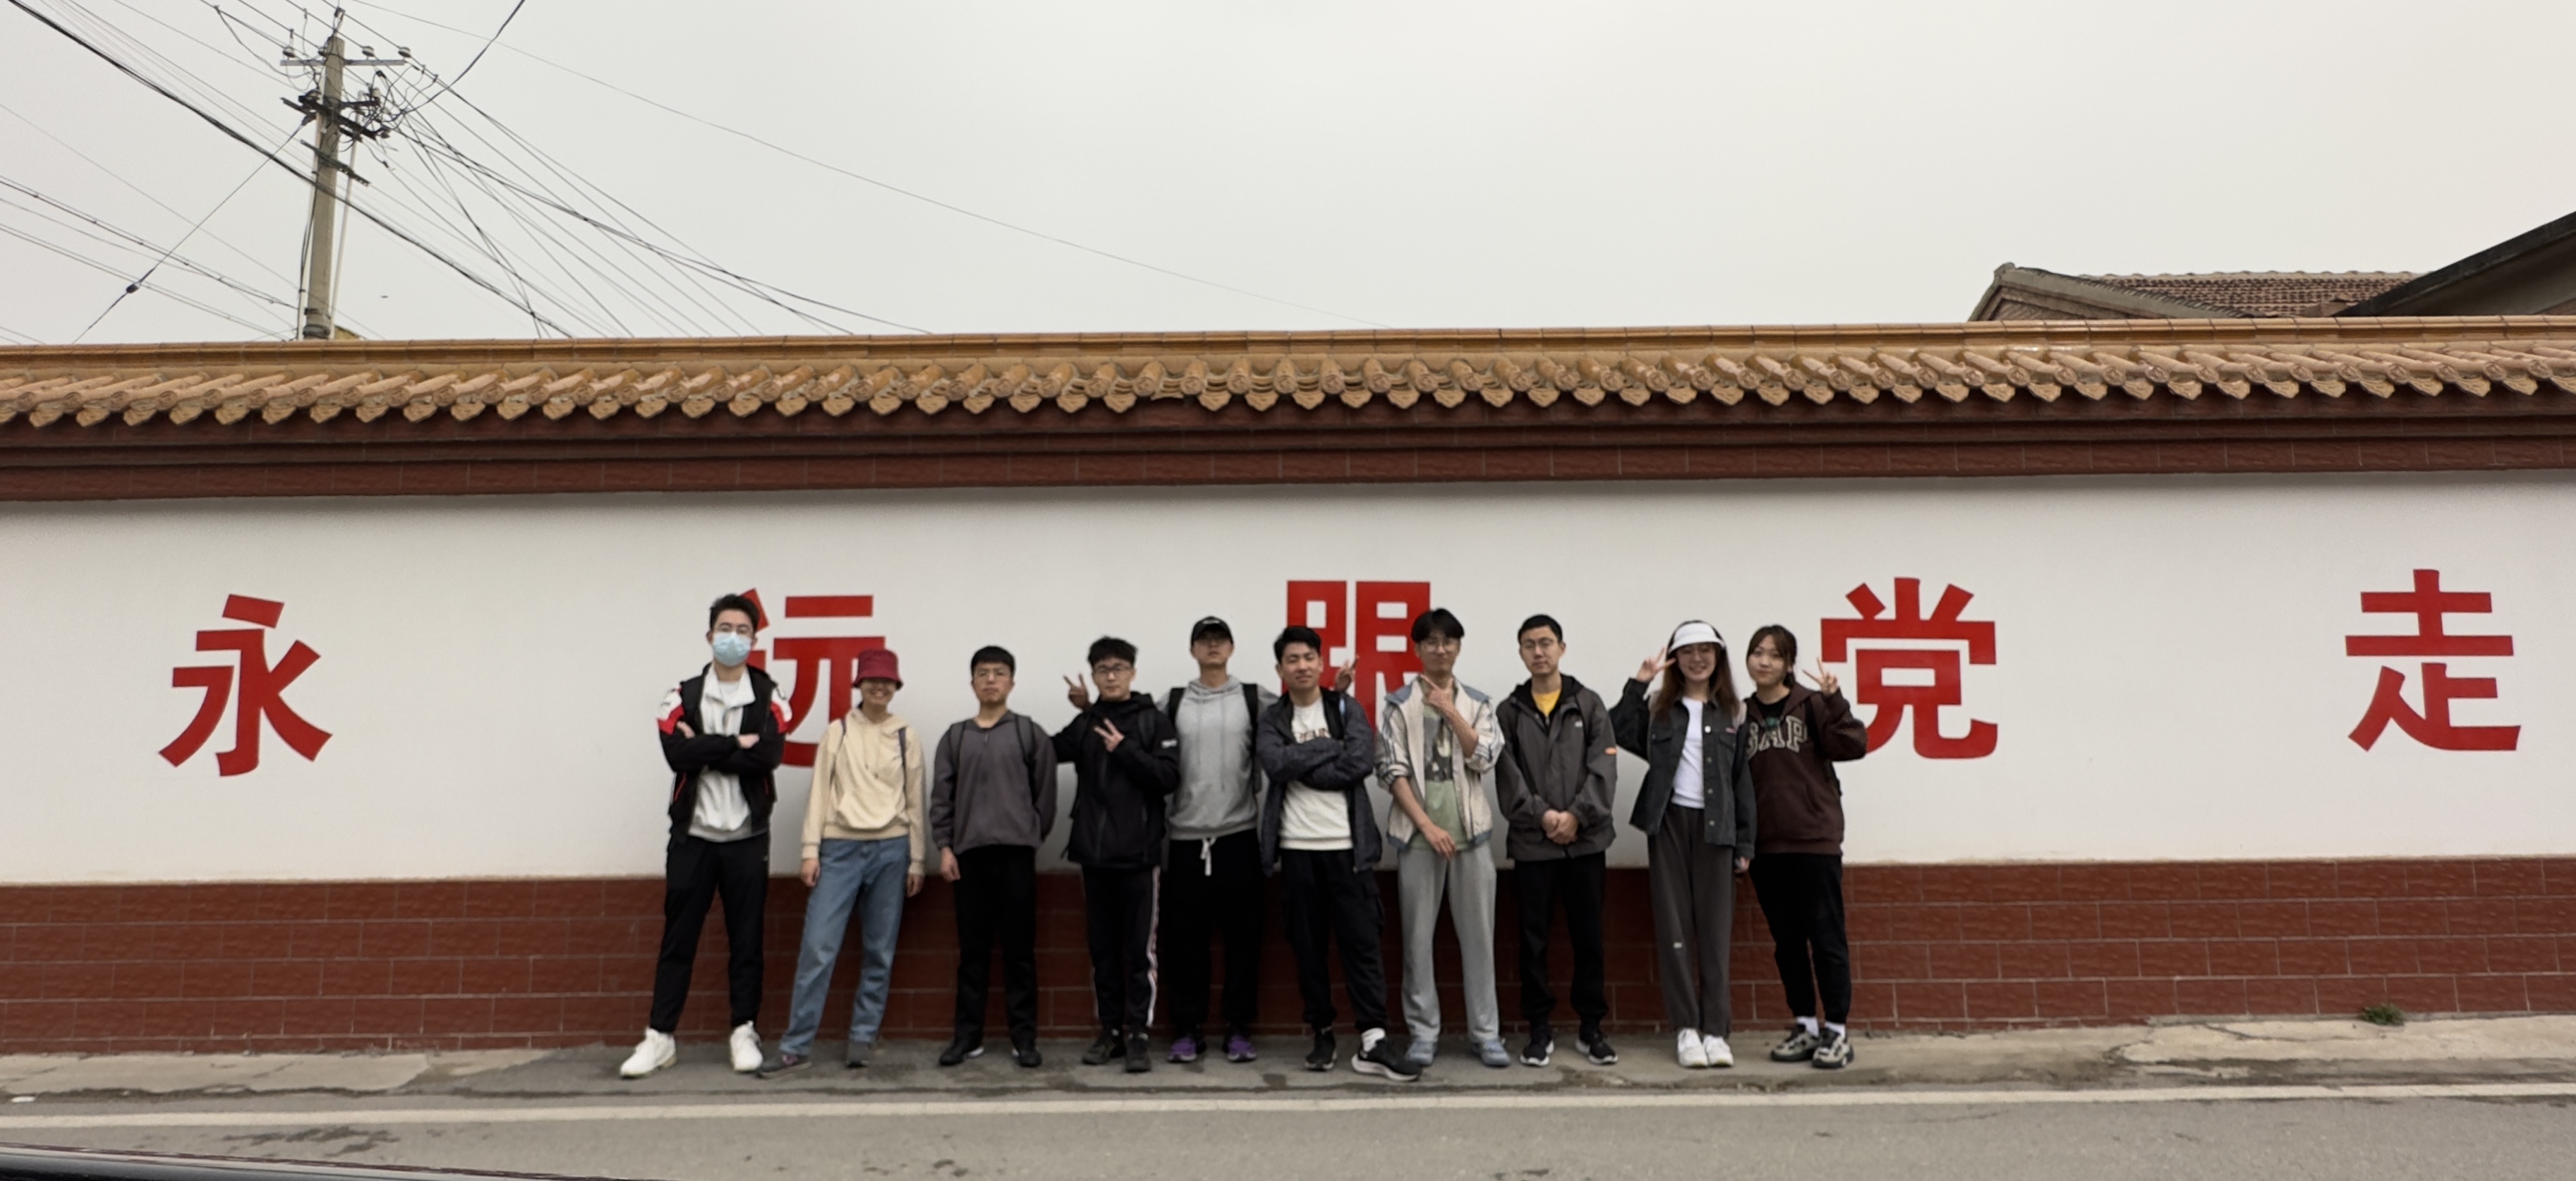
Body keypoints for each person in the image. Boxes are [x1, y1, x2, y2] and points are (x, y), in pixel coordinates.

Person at [624, 593, 788, 1080]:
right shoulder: (682, 696)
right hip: (692, 838)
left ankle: (744, 1031)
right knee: (678, 939)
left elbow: (767, 757)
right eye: (725, 629)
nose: (733, 638)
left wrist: (705, 747)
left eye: (743, 630)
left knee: (746, 941)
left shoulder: (770, 696)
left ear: (754, 640)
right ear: (709, 635)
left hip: (747, 837)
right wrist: (735, 743)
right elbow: (678, 756)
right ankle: (660, 1036)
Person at [1257, 625, 1420, 1082]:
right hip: (1296, 849)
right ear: (1280, 669)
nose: (1302, 666)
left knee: (1362, 945)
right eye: (1292, 659)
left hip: (1348, 850)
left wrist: (1306, 758)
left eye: (1309, 657)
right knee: (1308, 947)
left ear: (1321, 663)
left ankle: (1373, 1040)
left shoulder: (1346, 707)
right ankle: (1322, 1032)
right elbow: (1275, 764)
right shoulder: (1272, 718)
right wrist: (1329, 749)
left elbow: (1360, 762)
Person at [761, 648, 924, 1078]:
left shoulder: (906, 735)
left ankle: (863, 1036)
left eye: (886, 681)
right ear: (859, 685)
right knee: (818, 947)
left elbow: (914, 799)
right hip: (840, 849)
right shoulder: (838, 732)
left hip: (892, 849)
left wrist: (917, 859)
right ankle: (796, 1046)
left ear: (895, 686)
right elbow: (819, 792)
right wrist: (810, 850)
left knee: (879, 951)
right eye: (872, 680)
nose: (879, 687)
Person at [1610, 620, 1755, 1070]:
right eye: (1688, 651)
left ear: (1718, 658)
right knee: (1673, 929)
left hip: (1717, 829)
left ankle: (1716, 1031)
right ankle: (1686, 1029)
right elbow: (1616, 729)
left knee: (1714, 932)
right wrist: (1639, 682)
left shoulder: (1734, 712)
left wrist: (1745, 841)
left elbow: (1742, 779)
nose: (1697, 659)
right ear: (1676, 659)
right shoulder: (1659, 708)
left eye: (1706, 651)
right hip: (1669, 822)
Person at [1378, 607, 1508, 1071]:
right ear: (1417, 649)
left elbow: (1485, 758)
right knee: (1417, 941)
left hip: (1471, 837)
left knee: (1480, 941)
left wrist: (1450, 711)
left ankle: (1485, 1034)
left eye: (1448, 641)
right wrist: (1427, 827)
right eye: (1430, 642)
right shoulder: (1398, 704)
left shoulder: (1477, 703)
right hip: (1418, 839)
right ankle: (1423, 1032)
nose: (1440, 649)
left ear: (1458, 647)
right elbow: (1391, 772)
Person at [1492, 614, 1620, 1068]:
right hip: (1534, 843)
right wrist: (1544, 816)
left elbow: (1604, 767)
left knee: (1589, 938)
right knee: (1533, 940)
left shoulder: (1589, 704)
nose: (1539, 652)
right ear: (1521, 653)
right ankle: (1539, 1028)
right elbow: (1507, 775)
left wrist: (1576, 816)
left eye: (1546, 643)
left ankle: (1591, 1028)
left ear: (1562, 648)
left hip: (1586, 842)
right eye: (1529, 644)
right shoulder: (1509, 712)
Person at [1741, 624, 1870, 1070]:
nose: (1764, 661)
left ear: (1789, 664)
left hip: (1814, 841)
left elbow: (1855, 744)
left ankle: (1837, 1030)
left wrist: (1835, 700)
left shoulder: (1812, 705)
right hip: (1766, 847)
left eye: (1775, 655)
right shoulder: (1740, 714)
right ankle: (1805, 1025)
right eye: (1757, 652)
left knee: (1826, 938)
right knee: (1788, 942)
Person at [928, 645, 1058, 1069]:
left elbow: (1045, 795)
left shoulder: (1029, 733)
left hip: (1016, 856)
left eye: (999, 673)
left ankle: (1025, 1038)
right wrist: (945, 846)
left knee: (1020, 952)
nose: (991, 680)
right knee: (973, 953)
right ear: (972, 683)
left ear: (1011, 683)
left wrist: (1030, 835)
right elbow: (942, 798)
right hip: (968, 858)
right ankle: (968, 1038)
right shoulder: (955, 737)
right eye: (983, 673)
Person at [1058, 636, 1182, 1072]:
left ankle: (1138, 1034)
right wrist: (1086, 711)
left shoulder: (1154, 721)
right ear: (1093, 677)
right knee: (1103, 951)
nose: (1111, 676)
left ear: (1132, 673)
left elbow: (1168, 777)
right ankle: (1110, 1031)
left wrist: (1125, 749)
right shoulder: (1089, 722)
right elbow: (1047, 751)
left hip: (1139, 857)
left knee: (1138, 953)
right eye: (1102, 670)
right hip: (1094, 857)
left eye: (1118, 669)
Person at [1156, 617, 1275, 1065]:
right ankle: (1187, 1029)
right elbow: (1130, 728)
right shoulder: (1171, 702)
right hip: (1185, 838)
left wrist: (1338, 693)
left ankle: (1239, 1029)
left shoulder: (1254, 699)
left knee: (1244, 942)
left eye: (1219, 640)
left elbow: (1303, 713)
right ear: (1193, 650)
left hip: (1238, 835)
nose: (1212, 647)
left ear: (1231, 648)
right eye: (1204, 641)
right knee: (1185, 943)